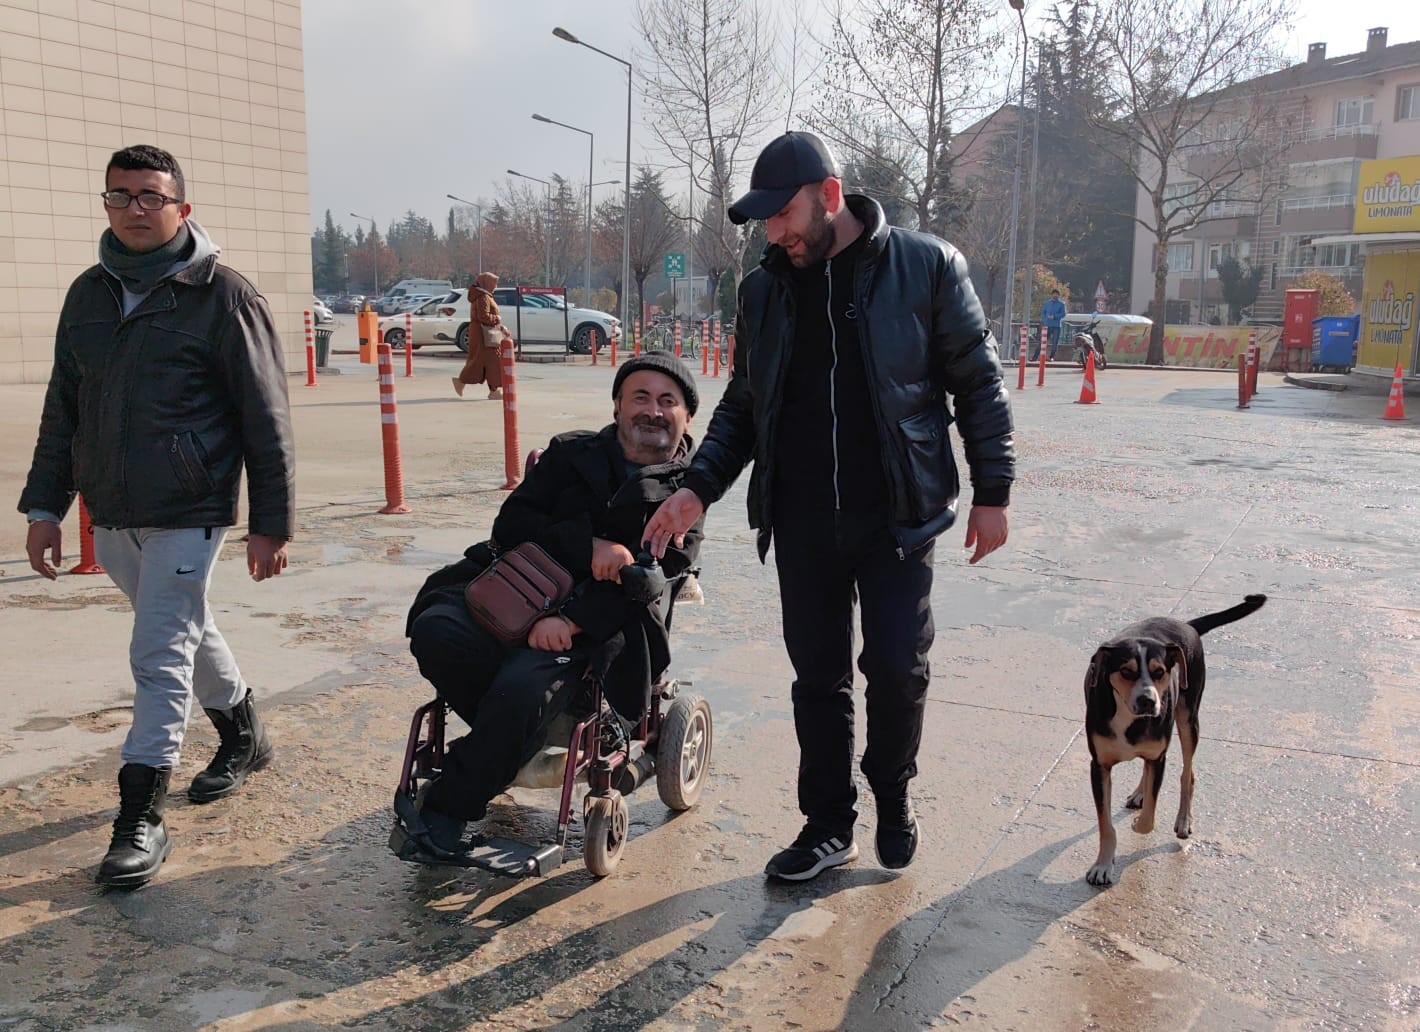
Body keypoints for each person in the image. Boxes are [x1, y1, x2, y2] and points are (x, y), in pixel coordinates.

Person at [644, 131, 1015, 882]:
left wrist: (993, 491)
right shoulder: (763, 288)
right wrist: (696, 488)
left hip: (897, 516)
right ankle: (826, 824)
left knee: (897, 670)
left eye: (783, 215)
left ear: (831, 196)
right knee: (817, 678)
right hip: (804, 519)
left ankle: (893, 796)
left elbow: (978, 381)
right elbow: (744, 407)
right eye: (765, 221)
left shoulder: (926, 267)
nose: (773, 233)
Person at [18, 145, 295, 889]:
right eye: (121, 196)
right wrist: (48, 506)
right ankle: (242, 732)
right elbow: (62, 408)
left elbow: (265, 417)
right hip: (112, 511)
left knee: (157, 656)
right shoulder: (88, 295)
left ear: (183, 207)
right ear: (106, 204)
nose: (136, 208)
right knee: (179, 626)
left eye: (151, 195)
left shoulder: (224, 295)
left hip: (189, 507)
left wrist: (272, 521)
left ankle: (141, 814)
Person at [400, 353, 705, 859]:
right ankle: (509, 746)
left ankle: (448, 805)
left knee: (524, 686)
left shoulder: (687, 494)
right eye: (641, 398)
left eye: (667, 402)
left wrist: (571, 619)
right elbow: (512, 525)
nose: (652, 411)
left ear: (685, 417)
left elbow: (658, 579)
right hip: (514, 587)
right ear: (617, 407)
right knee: (435, 628)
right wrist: (589, 547)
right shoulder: (570, 453)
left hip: (603, 622)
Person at [453, 271, 507, 400]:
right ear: (486, 283)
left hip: (482, 334)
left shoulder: (483, 295)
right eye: (494, 283)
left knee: (482, 362)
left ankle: (464, 382)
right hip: (483, 336)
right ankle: (493, 390)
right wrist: (497, 318)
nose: (495, 286)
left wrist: (501, 327)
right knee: (491, 362)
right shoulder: (483, 297)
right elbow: (484, 316)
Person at [1041, 289, 1067, 360]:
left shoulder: (1061, 304)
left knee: (1055, 342)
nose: (1055, 295)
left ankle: (1051, 356)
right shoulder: (1047, 303)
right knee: (1042, 341)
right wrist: (1045, 318)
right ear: (1052, 295)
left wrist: (1054, 316)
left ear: (1058, 295)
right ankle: (1036, 356)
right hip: (1047, 325)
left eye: (1057, 294)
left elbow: (1063, 314)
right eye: (1054, 294)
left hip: (1056, 326)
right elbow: (1043, 312)